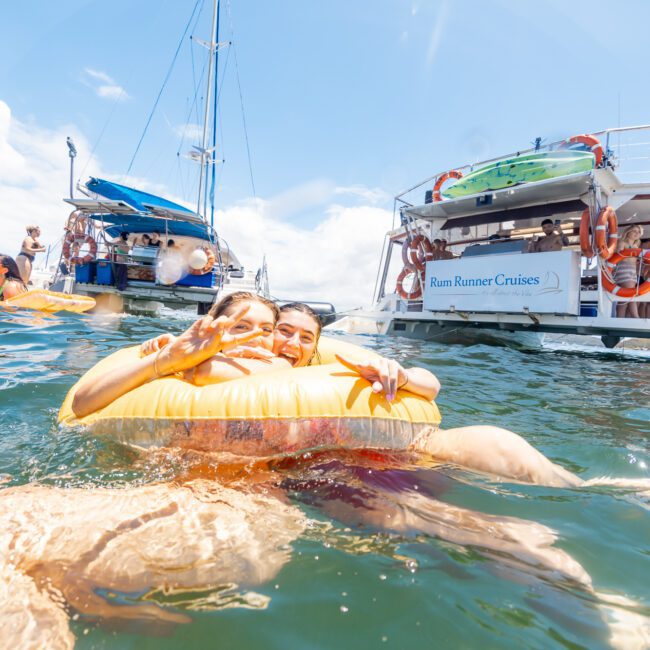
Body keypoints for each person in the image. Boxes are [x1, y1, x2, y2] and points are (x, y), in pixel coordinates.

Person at [613, 224, 643, 319]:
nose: (636, 233)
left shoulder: (636, 245)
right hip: (623, 270)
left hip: (633, 272)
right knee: (631, 294)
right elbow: (617, 254)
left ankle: (620, 319)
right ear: (628, 232)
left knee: (623, 299)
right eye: (634, 231)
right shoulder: (622, 243)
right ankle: (636, 317)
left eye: (638, 232)